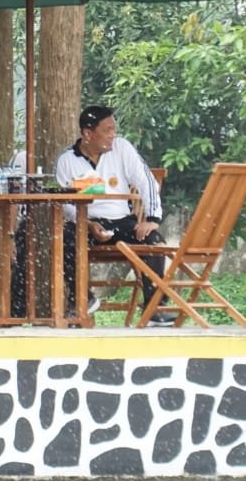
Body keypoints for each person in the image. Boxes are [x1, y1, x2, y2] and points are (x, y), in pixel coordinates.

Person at [55, 105, 173, 324]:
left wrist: (152, 219)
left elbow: (146, 180)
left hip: (122, 223)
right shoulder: (66, 160)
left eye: (113, 129)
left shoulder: (122, 148)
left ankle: (155, 308)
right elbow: (65, 204)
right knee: (63, 238)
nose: (113, 135)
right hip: (85, 225)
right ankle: (82, 298)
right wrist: (89, 224)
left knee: (154, 241)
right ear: (88, 134)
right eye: (107, 130)